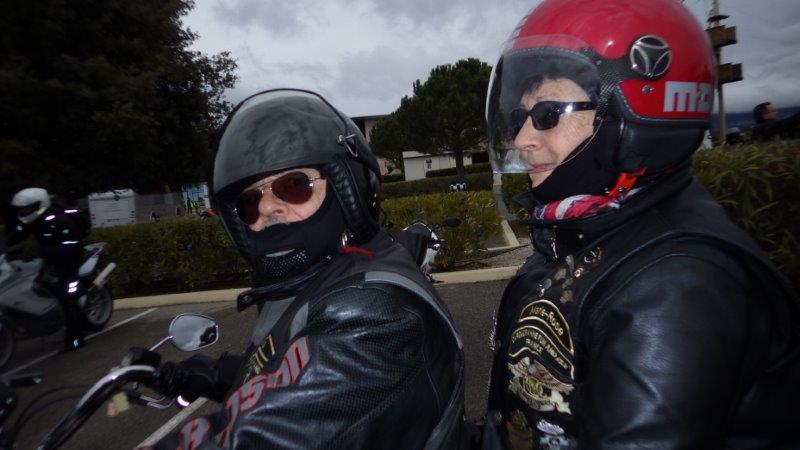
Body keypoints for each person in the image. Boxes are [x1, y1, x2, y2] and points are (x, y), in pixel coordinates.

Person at [481, 0, 800, 448]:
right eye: (519, 117)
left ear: (636, 112)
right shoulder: (581, 230)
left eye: (547, 113)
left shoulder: (679, 284)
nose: (522, 138)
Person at [143, 89, 465, 449]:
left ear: (348, 190)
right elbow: (299, 370)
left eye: (294, 185)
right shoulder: (328, 276)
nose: (267, 208)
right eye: (250, 200)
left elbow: (266, 436)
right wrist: (214, 375)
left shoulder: (376, 314)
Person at [3, 187, 92, 351]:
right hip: (51, 261)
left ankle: (76, 338)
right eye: (21, 209)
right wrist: (5, 246)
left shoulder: (60, 221)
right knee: (39, 286)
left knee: (67, 297)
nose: (23, 212)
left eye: (26, 208)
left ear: (39, 205)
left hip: (69, 262)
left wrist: (39, 252)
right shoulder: (35, 219)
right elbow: (16, 235)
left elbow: (71, 248)